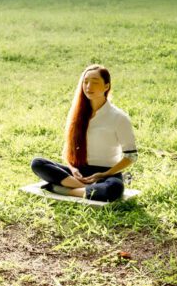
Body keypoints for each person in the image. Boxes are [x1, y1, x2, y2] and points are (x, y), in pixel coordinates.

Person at [30, 64, 137, 202]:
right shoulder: (77, 114)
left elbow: (131, 156)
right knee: (37, 163)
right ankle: (86, 188)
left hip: (106, 174)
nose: (88, 86)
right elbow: (67, 150)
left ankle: (64, 190)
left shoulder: (119, 118)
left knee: (114, 188)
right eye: (85, 82)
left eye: (95, 82)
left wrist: (104, 174)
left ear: (106, 86)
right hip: (79, 173)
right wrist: (73, 169)